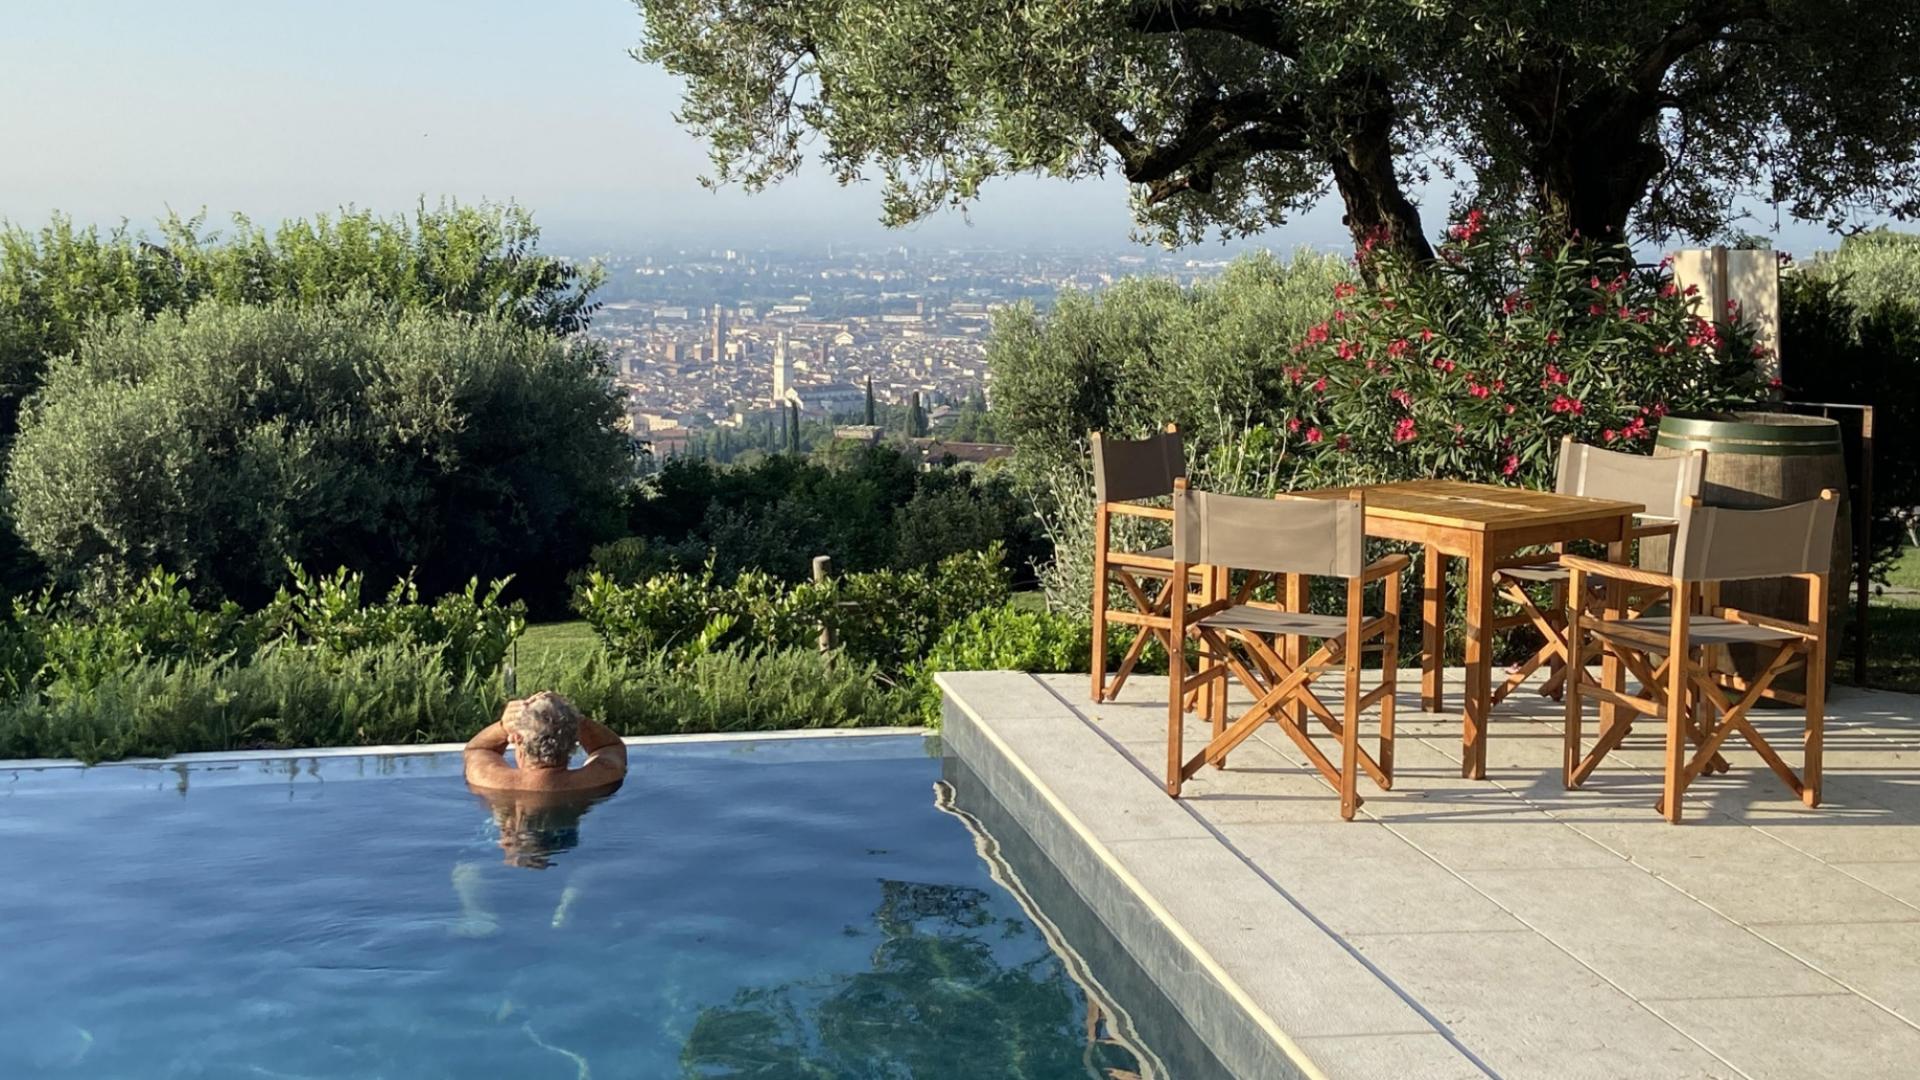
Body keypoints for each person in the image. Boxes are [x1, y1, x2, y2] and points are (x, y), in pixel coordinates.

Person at [463, 691, 628, 793]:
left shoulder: (488, 780)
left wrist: (503, 726)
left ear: (517, 738)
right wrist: (576, 719)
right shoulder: (600, 777)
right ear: (574, 737)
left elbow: (476, 750)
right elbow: (609, 747)